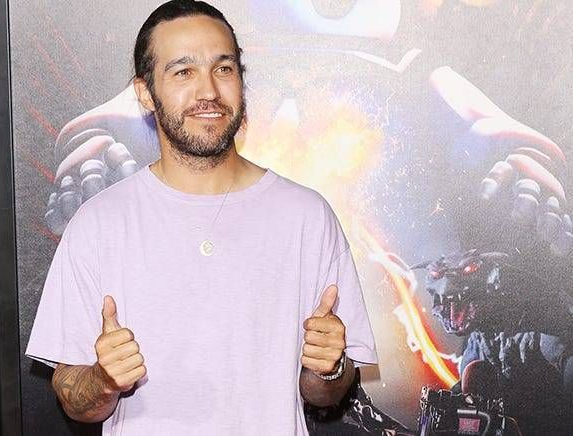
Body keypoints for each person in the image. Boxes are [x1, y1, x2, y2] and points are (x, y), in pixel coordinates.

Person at [26, 1, 378, 434]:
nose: (208, 90)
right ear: (144, 93)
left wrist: (330, 368)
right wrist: (103, 380)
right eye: (183, 72)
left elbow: (325, 393)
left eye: (223, 69)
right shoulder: (98, 224)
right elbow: (73, 398)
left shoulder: (307, 217)